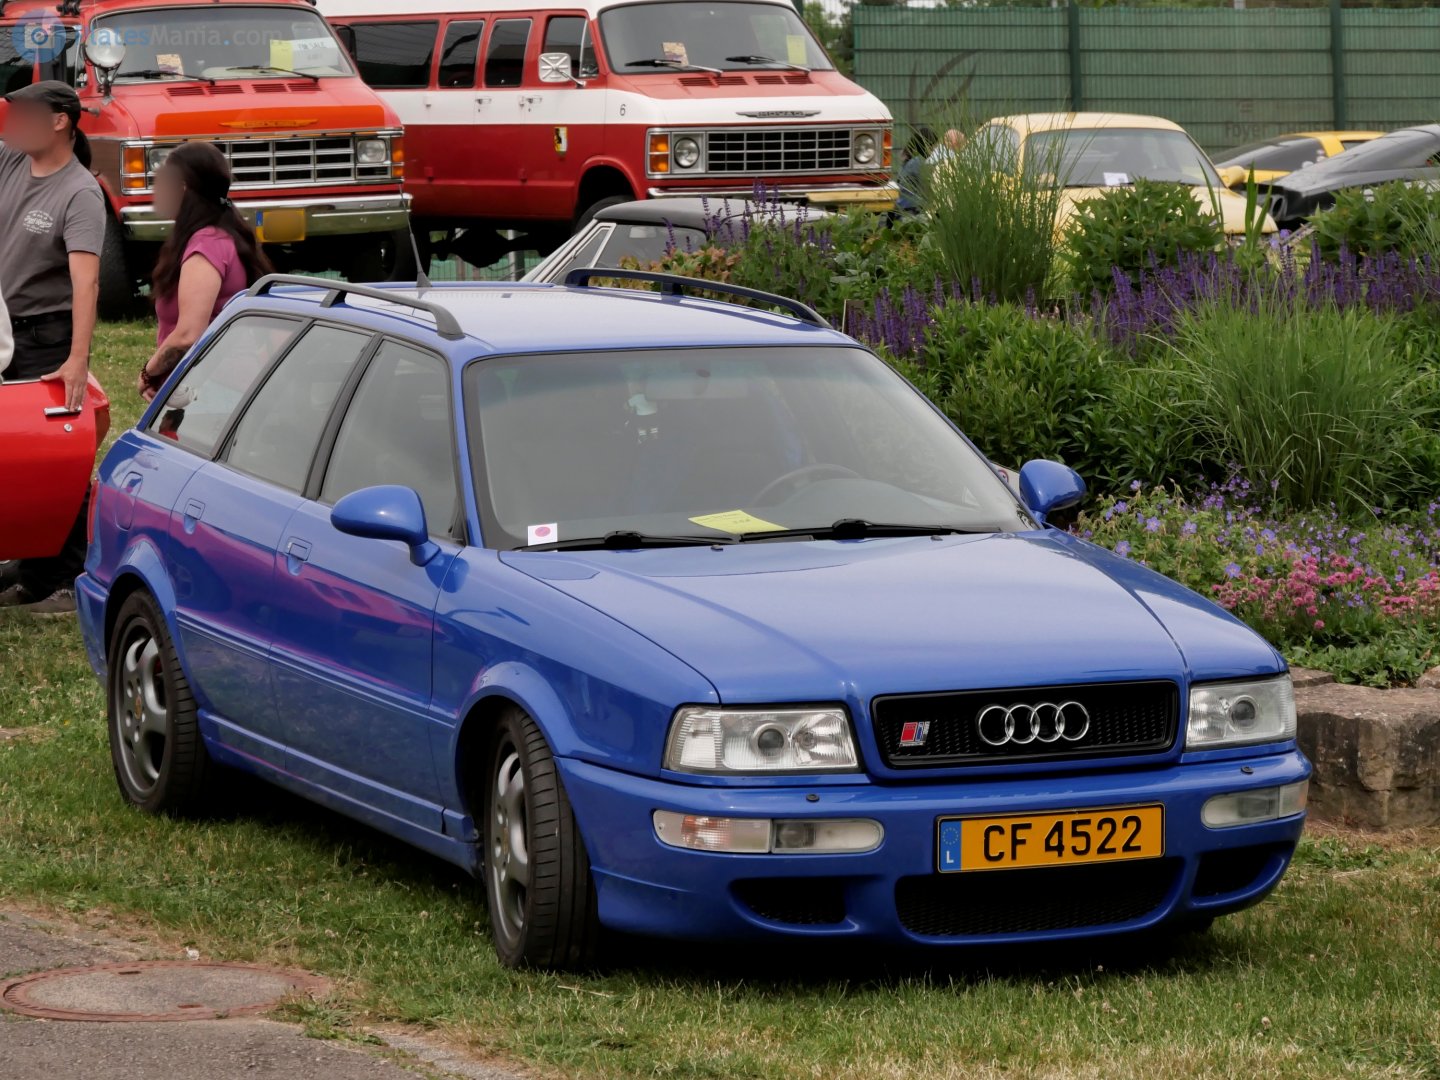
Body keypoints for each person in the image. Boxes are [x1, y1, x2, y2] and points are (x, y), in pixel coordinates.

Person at [0, 81, 105, 615]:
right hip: (6, 335)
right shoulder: (11, 161)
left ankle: (69, 578)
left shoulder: (79, 192)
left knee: (58, 457)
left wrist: (77, 359)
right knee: (17, 454)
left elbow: (85, 282)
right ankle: (32, 565)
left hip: (48, 338)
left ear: (59, 121)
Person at [138, 142, 273, 400]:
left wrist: (148, 373)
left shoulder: (206, 246)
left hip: (210, 393)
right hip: (213, 389)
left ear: (183, 188)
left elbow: (188, 335)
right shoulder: (220, 236)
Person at [895, 125, 936, 215]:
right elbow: (928, 189)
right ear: (926, 145)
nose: (934, 149)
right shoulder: (917, 162)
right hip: (912, 212)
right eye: (933, 146)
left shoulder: (909, 160)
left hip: (901, 209)